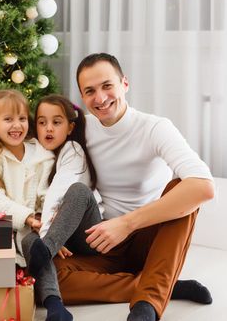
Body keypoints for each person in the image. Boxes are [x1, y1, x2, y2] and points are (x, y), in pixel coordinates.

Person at [40, 53, 214, 321]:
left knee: (184, 189)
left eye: (107, 86)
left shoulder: (155, 128)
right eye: (90, 91)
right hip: (103, 242)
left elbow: (204, 187)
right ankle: (161, 286)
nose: (100, 98)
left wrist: (127, 224)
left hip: (149, 240)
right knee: (45, 277)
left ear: (124, 84)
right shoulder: (81, 129)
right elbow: (58, 171)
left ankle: (147, 304)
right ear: (82, 97)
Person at [0, 90, 78, 321]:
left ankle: (55, 305)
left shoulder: (43, 157)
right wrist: (29, 217)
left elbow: (46, 196)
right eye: (8, 119)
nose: (16, 125)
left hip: (31, 230)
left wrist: (47, 228)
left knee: (37, 247)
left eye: (21, 118)